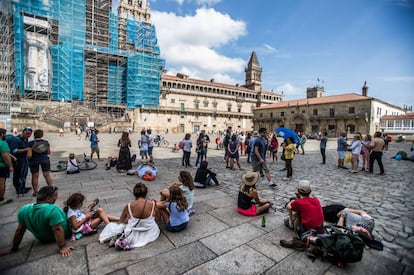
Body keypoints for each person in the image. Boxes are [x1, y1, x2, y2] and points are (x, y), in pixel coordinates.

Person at [4, 186, 74, 256]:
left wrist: (14, 248)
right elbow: (58, 229)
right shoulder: (52, 209)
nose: (56, 198)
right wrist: (62, 247)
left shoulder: (23, 210)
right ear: (48, 198)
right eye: (55, 196)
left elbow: (19, 230)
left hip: (42, 239)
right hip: (64, 233)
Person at [280, 180, 324, 249]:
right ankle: (291, 223)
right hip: (319, 230)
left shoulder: (299, 202)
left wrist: (292, 201)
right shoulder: (316, 200)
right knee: (298, 211)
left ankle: (297, 236)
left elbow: (288, 206)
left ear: (298, 191)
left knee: (294, 213)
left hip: (308, 232)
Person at [115, 183, 160, 247]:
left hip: (133, 234)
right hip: (150, 232)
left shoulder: (129, 206)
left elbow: (121, 220)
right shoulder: (152, 204)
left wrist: (128, 219)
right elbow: (158, 218)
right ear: (146, 193)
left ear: (134, 193)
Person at [28, 129, 53, 196]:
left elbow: (29, 155)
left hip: (34, 160)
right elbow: (49, 152)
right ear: (42, 135)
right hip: (44, 159)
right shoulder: (46, 142)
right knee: (47, 174)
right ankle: (50, 188)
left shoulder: (30, 143)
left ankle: (36, 191)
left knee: (35, 176)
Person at [10, 127, 33, 196]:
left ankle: (22, 187)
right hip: (18, 160)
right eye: (27, 133)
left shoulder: (25, 139)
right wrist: (26, 149)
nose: (28, 135)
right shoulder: (16, 140)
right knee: (18, 175)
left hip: (24, 160)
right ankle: (19, 189)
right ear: (23, 132)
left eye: (30, 134)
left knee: (23, 174)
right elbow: (14, 151)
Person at [0, 128, 14, 205]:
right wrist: (10, 166)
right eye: (5, 134)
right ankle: (1, 199)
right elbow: (5, 156)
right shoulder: (2, 143)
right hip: (1, 166)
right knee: (1, 183)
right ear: (2, 134)